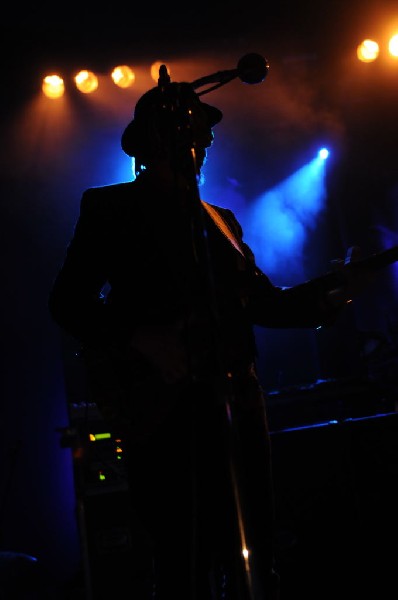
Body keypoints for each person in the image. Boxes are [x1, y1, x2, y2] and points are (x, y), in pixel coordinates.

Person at [48, 69, 377, 600]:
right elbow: (68, 302)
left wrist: (335, 291)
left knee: (254, 550)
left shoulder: (219, 220)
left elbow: (264, 302)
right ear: (157, 141)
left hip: (238, 406)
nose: (201, 146)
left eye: (203, 138)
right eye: (192, 134)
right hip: (163, 410)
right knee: (183, 557)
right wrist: (143, 338)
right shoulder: (111, 208)